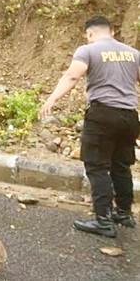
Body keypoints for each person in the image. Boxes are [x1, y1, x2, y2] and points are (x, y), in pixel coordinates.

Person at [39, 16, 139, 238]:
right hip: (129, 116)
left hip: (103, 114)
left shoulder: (87, 50)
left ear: (90, 33)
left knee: (96, 166)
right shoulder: (133, 53)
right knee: (121, 165)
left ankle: (102, 220)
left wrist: (52, 99)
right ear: (112, 31)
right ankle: (123, 213)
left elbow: (73, 76)